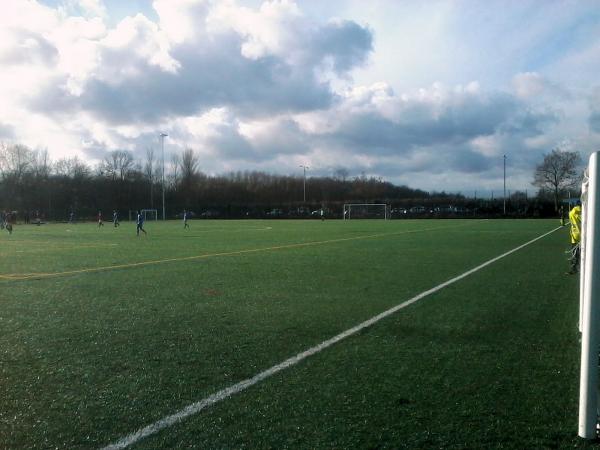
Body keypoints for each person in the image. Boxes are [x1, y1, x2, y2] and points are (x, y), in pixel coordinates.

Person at [568, 200, 582, 274]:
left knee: (575, 253)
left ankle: (574, 268)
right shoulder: (585, 211)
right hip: (584, 234)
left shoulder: (571, 212)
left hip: (575, 236)